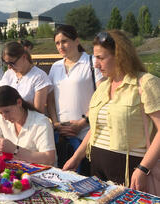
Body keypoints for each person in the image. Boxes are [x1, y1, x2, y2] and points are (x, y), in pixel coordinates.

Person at [63, 30, 160, 193]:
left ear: (120, 56)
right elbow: (95, 129)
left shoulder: (145, 83)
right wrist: (76, 157)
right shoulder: (102, 87)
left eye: (101, 58)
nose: (95, 64)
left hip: (132, 172)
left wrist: (144, 168)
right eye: (95, 58)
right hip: (98, 171)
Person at [47, 24, 103, 174]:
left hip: (88, 133)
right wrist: (56, 123)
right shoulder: (55, 67)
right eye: (57, 43)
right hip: (62, 135)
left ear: (77, 41)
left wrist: (83, 121)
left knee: (87, 177)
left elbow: (102, 97)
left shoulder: (92, 63)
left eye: (64, 41)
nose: (61, 46)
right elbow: (50, 99)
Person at [0, 86, 56, 165]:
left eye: (7, 111)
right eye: (0, 113)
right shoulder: (2, 118)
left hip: (41, 172)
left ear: (19, 103)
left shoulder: (41, 122)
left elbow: (49, 158)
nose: (5, 117)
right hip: (15, 168)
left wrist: (15, 150)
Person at [0, 41, 51, 113]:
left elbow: (38, 112)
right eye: (6, 63)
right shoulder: (8, 74)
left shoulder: (39, 77)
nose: (9, 67)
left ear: (24, 57)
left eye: (12, 63)